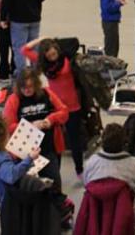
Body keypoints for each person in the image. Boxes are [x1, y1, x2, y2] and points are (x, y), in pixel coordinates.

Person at [21, 37, 86, 179]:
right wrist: (41, 39)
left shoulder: (67, 59)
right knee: (56, 142)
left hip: (72, 107)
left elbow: (75, 41)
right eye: (48, 55)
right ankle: (55, 171)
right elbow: (24, 50)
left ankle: (79, 169)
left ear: (57, 49)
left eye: (53, 53)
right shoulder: (44, 64)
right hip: (55, 108)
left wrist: (51, 40)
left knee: (75, 140)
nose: (52, 57)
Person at [3, 68, 68, 188]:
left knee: (54, 185)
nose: (27, 90)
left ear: (36, 84)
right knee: (29, 187)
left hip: (48, 149)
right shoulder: (13, 100)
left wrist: (50, 120)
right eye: (23, 87)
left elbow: (64, 112)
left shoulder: (47, 93)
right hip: (24, 153)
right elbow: (8, 126)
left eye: (30, 86)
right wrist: (31, 126)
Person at [82, 123, 135, 220]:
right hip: (126, 215)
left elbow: (86, 184)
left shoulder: (91, 162)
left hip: (97, 212)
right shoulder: (134, 164)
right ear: (125, 144)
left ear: (102, 142)